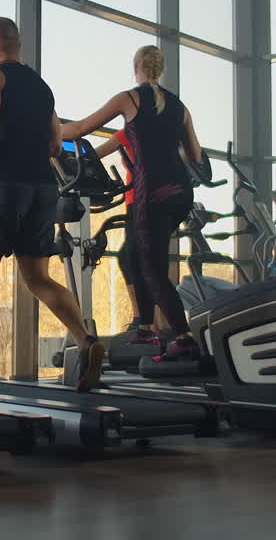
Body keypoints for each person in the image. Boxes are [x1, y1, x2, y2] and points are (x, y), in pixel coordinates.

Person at [0, 16, 106, 392]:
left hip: (1, 185)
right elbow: (55, 145)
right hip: (42, 189)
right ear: (17, 44)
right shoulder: (42, 88)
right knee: (38, 277)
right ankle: (86, 340)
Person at [59, 45, 204, 362]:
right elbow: (195, 155)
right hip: (180, 192)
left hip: (150, 192)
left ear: (136, 66)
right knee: (136, 255)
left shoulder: (129, 99)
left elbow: (80, 129)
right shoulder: (180, 107)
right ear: (160, 69)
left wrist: (50, 132)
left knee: (151, 267)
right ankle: (146, 328)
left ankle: (183, 337)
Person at [90, 135, 162, 350]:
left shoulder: (129, 132)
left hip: (141, 199)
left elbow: (94, 154)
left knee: (134, 258)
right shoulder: (160, 129)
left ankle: (148, 324)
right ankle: (146, 321)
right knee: (131, 257)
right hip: (154, 198)